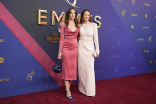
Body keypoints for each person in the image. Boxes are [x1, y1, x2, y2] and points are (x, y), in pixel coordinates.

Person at [57, 7, 80, 99]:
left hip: (74, 49)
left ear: (76, 15)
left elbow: (78, 38)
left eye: (74, 13)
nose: (72, 15)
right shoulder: (64, 24)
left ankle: (68, 88)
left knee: (72, 70)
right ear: (68, 14)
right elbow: (62, 38)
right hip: (66, 49)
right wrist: (60, 51)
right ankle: (67, 90)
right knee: (66, 70)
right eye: (71, 13)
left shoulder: (78, 25)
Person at [78, 9, 100, 97]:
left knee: (90, 70)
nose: (86, 16)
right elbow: (72, 33)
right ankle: (82, 88)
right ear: (82, 16)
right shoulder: (79, 25)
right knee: (82, 70)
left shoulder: (94, 25)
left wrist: (97, 50)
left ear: (90, 16)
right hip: (81, 48)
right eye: (85, 15)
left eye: (88, 15)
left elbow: (96, 38)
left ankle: (90, 91)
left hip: (90, 49)